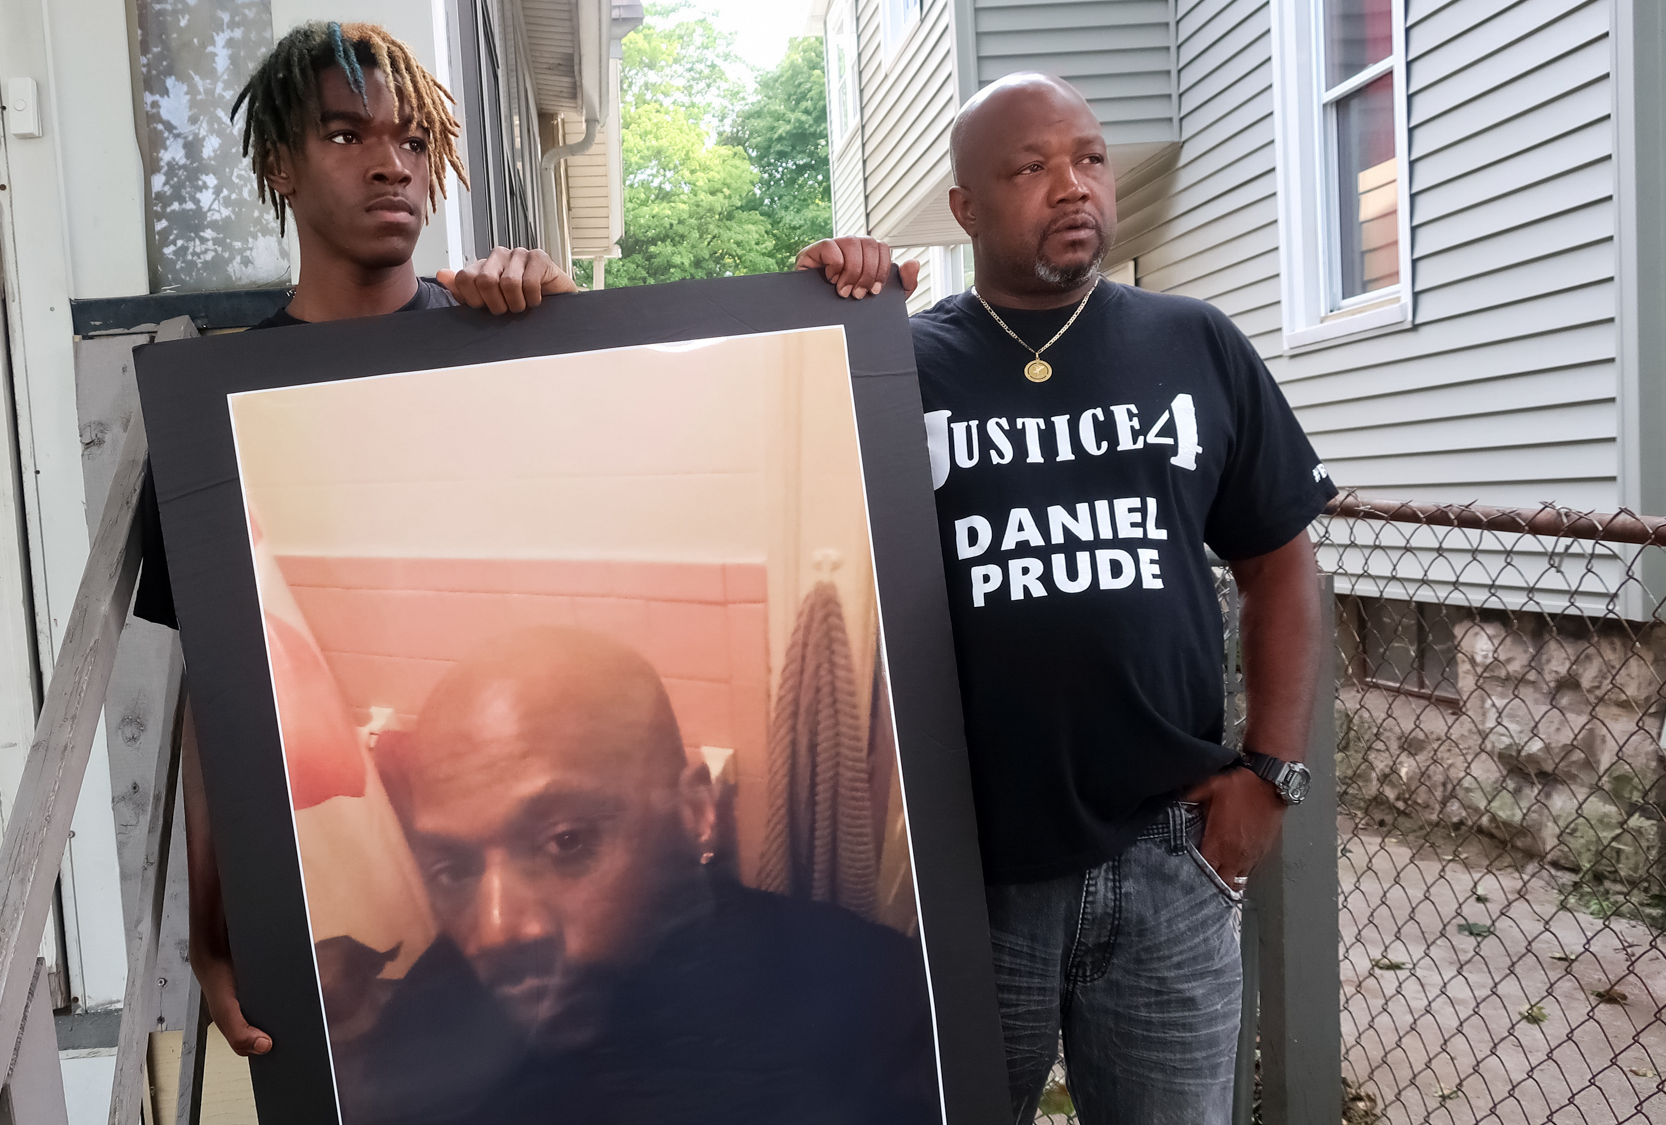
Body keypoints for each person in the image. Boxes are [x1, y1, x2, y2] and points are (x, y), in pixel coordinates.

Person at [136, 19, 908, 1061]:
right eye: (344, 136)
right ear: (278, 162)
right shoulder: (211, 426)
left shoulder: (500, 335)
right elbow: (213, 708)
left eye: (412, 141)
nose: (389, 163)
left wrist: (838, 288)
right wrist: (210, 935)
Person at [914, 72, 1334, 1124]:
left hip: (1166, 861)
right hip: (969, 873)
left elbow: (1279, 565)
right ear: (964, 207)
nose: (1071, 187)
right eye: (1028, 168)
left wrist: (1270, 776)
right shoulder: (900, 367)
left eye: (1088, 159)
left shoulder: (1191, 343)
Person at [340, 628, 939, 1125]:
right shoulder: (424, 1022)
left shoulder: (872, 1003)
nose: (494, 933)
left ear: (696, 812)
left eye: (565, 841)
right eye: (455, 868)